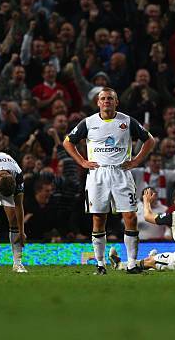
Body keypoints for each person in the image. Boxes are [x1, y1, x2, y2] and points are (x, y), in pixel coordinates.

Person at [63, 88, 155, 275]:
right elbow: (67, 142)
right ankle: (100, 264)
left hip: (121, 173)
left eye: (110, 99)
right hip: (98, 174)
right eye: (103, 99)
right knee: (99, 218)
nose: (106, 101)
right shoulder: (88, 123)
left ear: (116, 102)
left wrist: (136, 161)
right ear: (98, 103)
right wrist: (82, 161)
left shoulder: (127, 121)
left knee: (130, 217)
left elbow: (150, 140)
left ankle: (131, 264)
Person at [109, 186, 175, 271]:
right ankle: (153, 259)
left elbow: (148, 216)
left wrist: (146, 201)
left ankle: (120, 265)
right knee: (157, 258)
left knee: (150, 261)